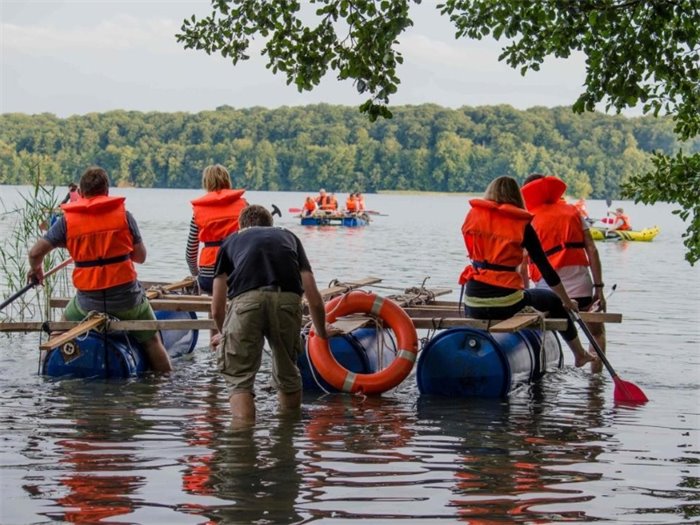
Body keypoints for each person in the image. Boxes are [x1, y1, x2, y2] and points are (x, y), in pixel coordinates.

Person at [27, 166, 172, 372]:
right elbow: (141, 257)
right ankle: (165, 385)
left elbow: (34, 253)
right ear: (106, 191)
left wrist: (36, 270)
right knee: (153, 341)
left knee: (57, 333)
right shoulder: (125, 216)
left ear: (82, 194)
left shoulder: (66, 221)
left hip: (87, 303)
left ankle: (45, 370)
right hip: (128, 301)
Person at [210, 204, 334, 423]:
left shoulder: (231, 241)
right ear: (271, 224)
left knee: (240, 379)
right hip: (287, 301)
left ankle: (243, 443)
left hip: (245, 303)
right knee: (288, 371)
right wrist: (322, 332)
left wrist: (225, 334)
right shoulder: (289, 238)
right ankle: (286, 439)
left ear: (241, 226)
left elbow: (217, 306)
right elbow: (313, 296)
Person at [458, 176, 597, 368]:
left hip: (472, 301)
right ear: (517, 196)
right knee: (552, 299)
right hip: (505, 303)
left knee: (528, 295)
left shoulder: (473, 216)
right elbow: (547, 270)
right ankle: (580, 354)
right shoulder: (522, 225)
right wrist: (567, 301)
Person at [521, 174, 606, 371]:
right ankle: (595, 386)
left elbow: (522, 264)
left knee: (541, 327)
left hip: (548, 293)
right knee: (597, 333)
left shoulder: (528, 219)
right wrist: (599, 288)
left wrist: (524, 295)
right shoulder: (574, 212)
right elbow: (592, 250)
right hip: (582, 290)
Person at [186, 164, 248, 294]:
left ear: (206, 183)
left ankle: (213, 314)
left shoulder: (198, 212)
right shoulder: (244, 207)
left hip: (208, 277)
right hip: (237, 273)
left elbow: (190, 253)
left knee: (212, 298)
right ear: (228, 181)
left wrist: (197, 275)